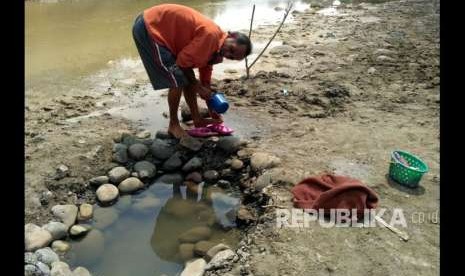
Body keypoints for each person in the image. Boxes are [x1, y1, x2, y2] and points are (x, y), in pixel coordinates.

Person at [132, 4, 252, 145]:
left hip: (162, 29)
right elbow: (182, 63)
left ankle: (197, 119)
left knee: (187, 78)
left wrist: (211, 104)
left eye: (231, 57)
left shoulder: (217, 50)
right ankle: (173, 125)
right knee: (177, 79)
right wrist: (198, 86)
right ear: (229, 35)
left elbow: (204, 78)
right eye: (231, 49)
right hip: (150, 27)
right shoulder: (211, 35)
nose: (227, 54)